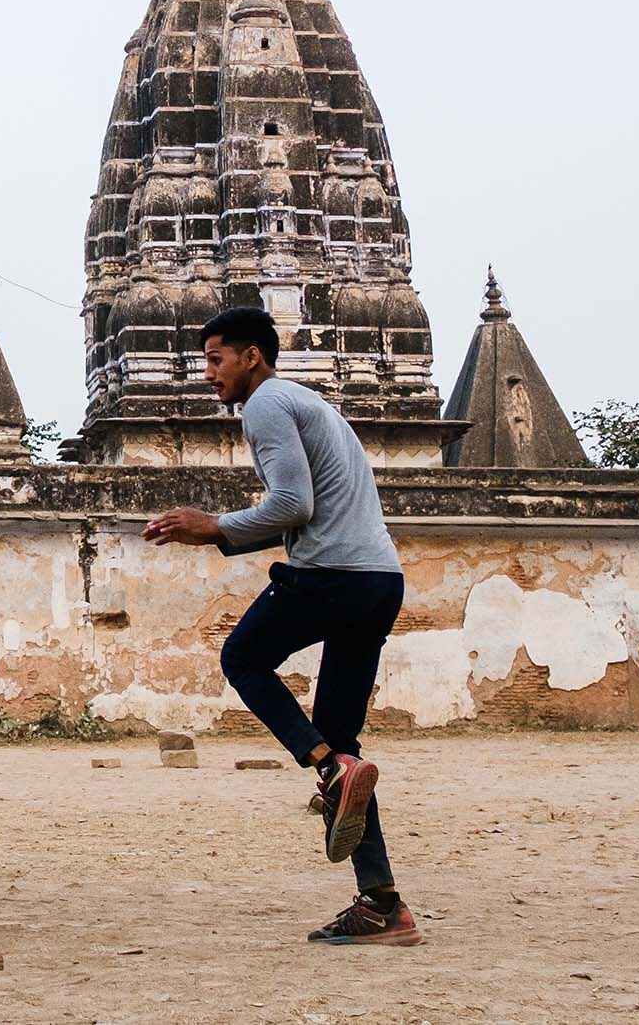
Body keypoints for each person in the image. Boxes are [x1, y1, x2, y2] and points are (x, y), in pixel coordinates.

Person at [142, 307, 421, 948]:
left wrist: (212, 526)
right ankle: (383, 905)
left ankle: (323, 764)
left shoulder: (266, 404)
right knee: (344, 744)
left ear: (252, 358)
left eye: (216, 359)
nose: (207, 373)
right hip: (379, 581)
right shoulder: (307, 402)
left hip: (334, 576)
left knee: (241, 657)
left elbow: (294, 504)